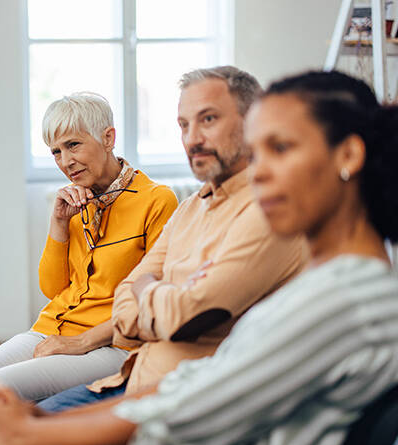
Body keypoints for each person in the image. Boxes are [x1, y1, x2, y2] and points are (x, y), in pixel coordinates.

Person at [0, 70, 398, 445]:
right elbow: (193, 382)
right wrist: (34, 422)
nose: (261, 169)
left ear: (348, 155)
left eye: (281, 148)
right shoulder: (328, 283)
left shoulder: (343, 301)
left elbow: (188, 412)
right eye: (259, 148)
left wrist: (30, 432)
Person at [37, 66, 307, 412]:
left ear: (252, 122)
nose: (192, 138)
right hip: (132, 380)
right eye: (183, 125)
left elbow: (182, 315)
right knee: (7, 427)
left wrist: (147, 290)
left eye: (208, 119)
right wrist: (160, 291)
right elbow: (124, 297)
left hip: (179, 406)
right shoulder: (191, 207)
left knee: (10, 441)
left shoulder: (268, 212)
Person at [0, 92, 178, 423]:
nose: (65, 161)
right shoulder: (75, 203)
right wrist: (58, 223)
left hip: (112, 343)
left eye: (74, 145)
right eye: (56, 151)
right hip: (53, 327)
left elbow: (152, 303)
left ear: (108, 138)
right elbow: (53, 289)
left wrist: (80, 342)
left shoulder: (156, 201)